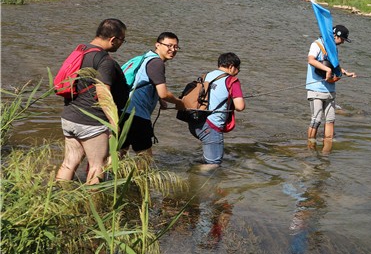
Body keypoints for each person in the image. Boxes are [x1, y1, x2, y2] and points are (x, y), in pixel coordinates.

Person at [56, 19, 130, 185]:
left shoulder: (81, 51)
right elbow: (103, 94)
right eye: (122, 40)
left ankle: (57, 198)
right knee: (98, 166)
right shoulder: (105, 61)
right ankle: (92, 207)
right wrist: (114, 122)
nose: (121, 44)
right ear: (113, 39)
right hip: (91, 122)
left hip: (70, 117)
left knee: (69, 163)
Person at [120, 32, 186, 161]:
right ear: (158, 44)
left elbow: (144, 81)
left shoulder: (147, 57)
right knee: (145, 158)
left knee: (119, 151)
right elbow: (164, 92)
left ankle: (109, 178)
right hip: (137, 115)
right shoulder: (157, 63)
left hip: (124, 111)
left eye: (176, 47)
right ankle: (138, 181)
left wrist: (160, 100)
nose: (172, 50)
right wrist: (178, 102)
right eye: (169, 45)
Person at [306, 25, 356, 142]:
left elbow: (334, 65)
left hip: (330, 90)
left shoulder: (333, 48)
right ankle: (310, 149)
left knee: (330, 120)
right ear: (336, 35)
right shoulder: (316, 44)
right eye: (342, 39)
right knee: (316, 120)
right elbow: (311, 60)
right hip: (315, 89)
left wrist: (344, 72)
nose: (343, 42)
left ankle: (326, 152)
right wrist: (327, 70)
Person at [195, 53, 245, 168]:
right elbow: (240, 106)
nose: (237, 72)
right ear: (232, 67)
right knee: (213, 165)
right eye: (238, 69)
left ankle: (195, 171)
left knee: (208, 159)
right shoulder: (232, 80)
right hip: (211, 127)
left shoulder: (206, 75)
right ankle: (198, 181)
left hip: (196, 122)